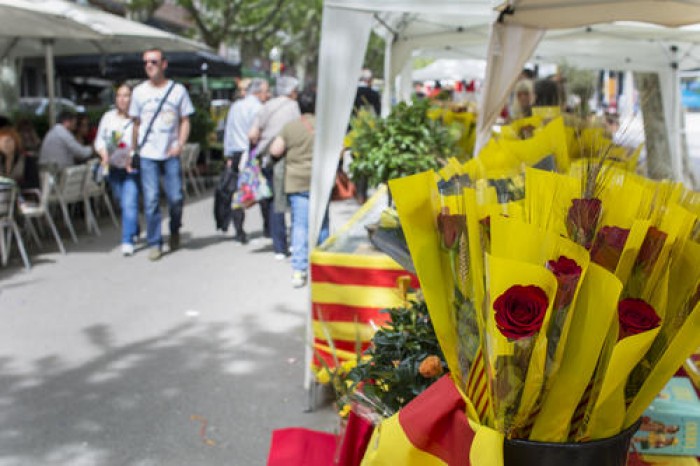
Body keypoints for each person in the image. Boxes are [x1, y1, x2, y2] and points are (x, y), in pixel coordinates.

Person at [129, 48, 194, 261]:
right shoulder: (138, 92)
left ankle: (175, 229)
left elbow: (185, 120)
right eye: (146, 62)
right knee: (151, 200)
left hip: (170, 152)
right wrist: (133, 150)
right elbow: (136, 124)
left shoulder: (177, 91)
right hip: (148, 153)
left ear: (164, 64)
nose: (149, 65)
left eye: (154, 62)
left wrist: (180, 144)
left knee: (175, 198)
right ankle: (155, 242)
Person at [269, 89, 329, 287]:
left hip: (296, 181)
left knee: (300, 225)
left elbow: (275, 150)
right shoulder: (325, 127)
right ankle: (324, 267)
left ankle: (299, 270)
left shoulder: (290, 127)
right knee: (322, 224)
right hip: (321, 181)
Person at [249, 76, 300, 260]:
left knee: (272, 202)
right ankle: (295, 243)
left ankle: (279, 247)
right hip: (285, 159)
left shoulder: (267, 106)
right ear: (292, 91)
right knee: (292, 201)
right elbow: (295, 132)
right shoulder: (293, 106)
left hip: (266, 159)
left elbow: (253, 134)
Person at [222, 78, 270, 244]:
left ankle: (239, 230)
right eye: (266, 92)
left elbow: (228, 131)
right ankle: (268, 227)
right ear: (257, 93)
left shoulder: (235, 106)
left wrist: (228, 155)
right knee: (262, 190)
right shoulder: (259, 108)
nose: (268, 95)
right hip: (251, 153)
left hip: (236, 153)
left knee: (238, 193)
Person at [95, 83, 139, 257]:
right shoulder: (108, 117)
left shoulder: (137, 119)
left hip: (130, 169)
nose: (122, 99)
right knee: (122, 202)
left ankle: (127, 240)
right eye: (119, 95)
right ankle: (134, 227)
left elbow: (142, 142)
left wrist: (133, 154)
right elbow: (100, 140)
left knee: (129, 203)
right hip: (113, 168)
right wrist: (103, 153)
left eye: (126, 95)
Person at [15, 118, 41, 189]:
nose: (26, 134)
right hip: (24, 173)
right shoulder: (17, 142)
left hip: (33, 170)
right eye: (23, 131)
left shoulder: (34, 140)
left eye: (28, 131)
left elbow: (38, 146)